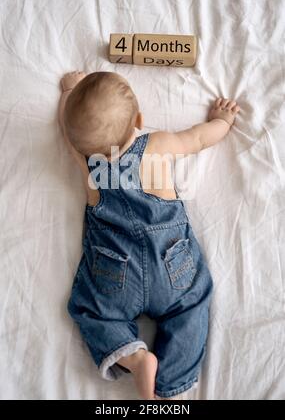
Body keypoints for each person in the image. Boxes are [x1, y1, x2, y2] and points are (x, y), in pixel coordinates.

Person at [58, 70, 240, 399]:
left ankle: (136, 358)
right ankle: (168, 388)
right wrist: (222, 121)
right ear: (139, 120)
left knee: (92, 311)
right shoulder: (157, 145)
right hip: (171, 263)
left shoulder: (89, 164)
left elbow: (67, 132)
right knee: (191, 305)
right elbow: (199, 138)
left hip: (115, 274)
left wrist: (70, 92)